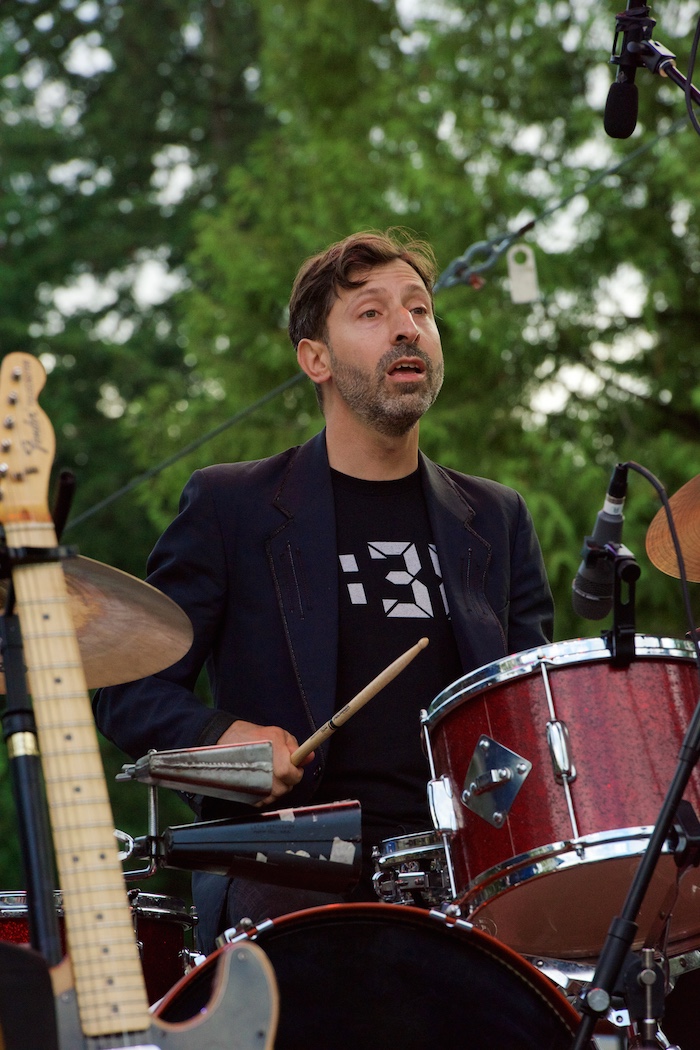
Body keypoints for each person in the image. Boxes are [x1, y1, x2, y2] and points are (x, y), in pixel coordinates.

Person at [93, 229, 553, 954]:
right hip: (290, 874)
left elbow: (530, 713)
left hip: (465, 882)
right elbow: (126, 686)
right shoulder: (232, 507)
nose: (406, 327)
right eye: (371, 313)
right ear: (316, 359)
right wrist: (222, 739)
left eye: (420, 309)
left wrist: (494, 813)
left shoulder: (496, 517)